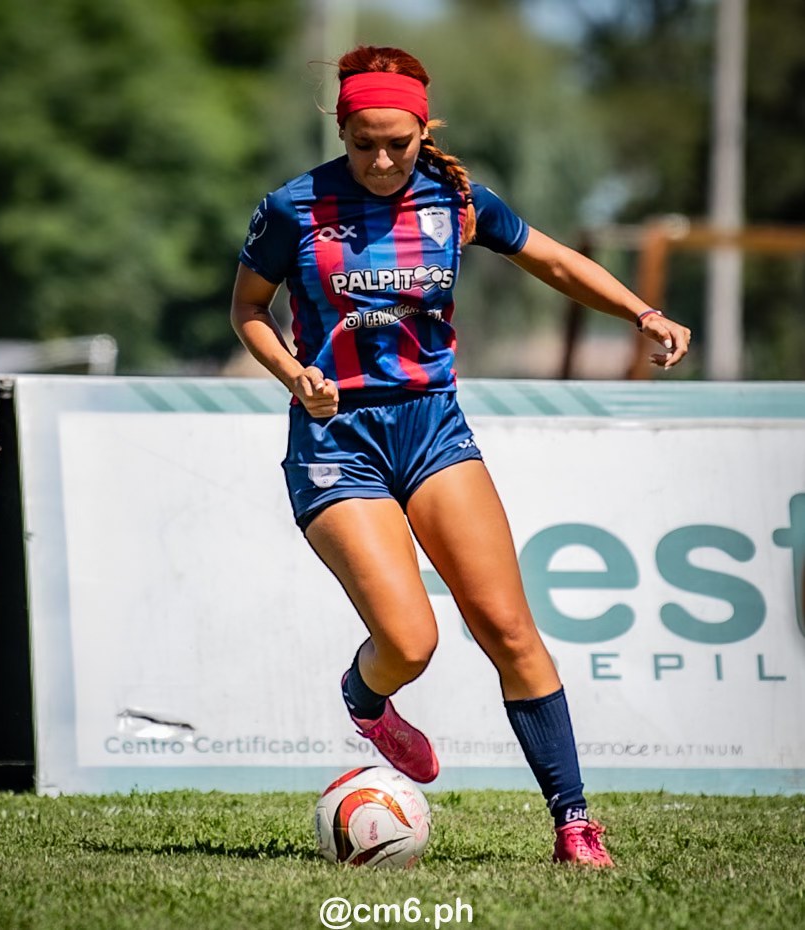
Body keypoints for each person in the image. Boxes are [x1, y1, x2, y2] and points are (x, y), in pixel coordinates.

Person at [231, 45, 691, 868]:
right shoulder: (292, 208)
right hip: (336, 440)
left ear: (422, 133)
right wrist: (295, 374)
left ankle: (573, 825)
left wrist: (640, 311)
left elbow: (549, 258)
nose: (379, 160)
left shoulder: (455, 197)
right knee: (410, 643)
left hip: (434, 428)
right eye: (363, 142)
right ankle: (367, 698)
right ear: (341, 128)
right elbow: (249, 310)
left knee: (510, 630)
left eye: (397, 145)